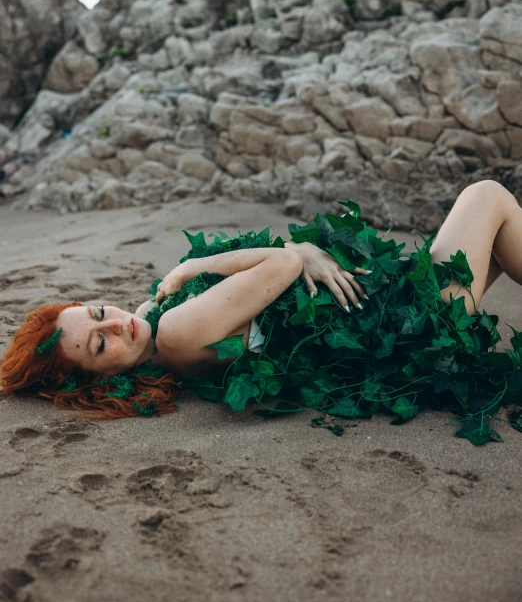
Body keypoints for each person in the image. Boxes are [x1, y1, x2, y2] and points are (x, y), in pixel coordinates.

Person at [2, 180, 522, 444]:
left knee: (497, 239)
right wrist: (197, 265)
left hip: (395, 317)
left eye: (97, 313)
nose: (116, 323)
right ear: (100, 381)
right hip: (420, 323)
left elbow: (152, 319)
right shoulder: (178, 332)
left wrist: (145, 309)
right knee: (487, 196)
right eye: (100, 344)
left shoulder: (158, 339)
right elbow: (282, 262)